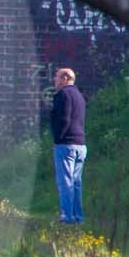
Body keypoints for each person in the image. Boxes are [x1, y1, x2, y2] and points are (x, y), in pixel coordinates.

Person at [50, 66, 86, 224]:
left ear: (65, 78)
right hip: (81, 144)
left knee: (65, 182)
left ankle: (67, 217)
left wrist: (58, 138)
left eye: (57, 77)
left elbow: (64, 119)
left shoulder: (63, 94)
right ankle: (78, 216)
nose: (54, 80)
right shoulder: (79, 95)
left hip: (66, 144)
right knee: (76, 183)